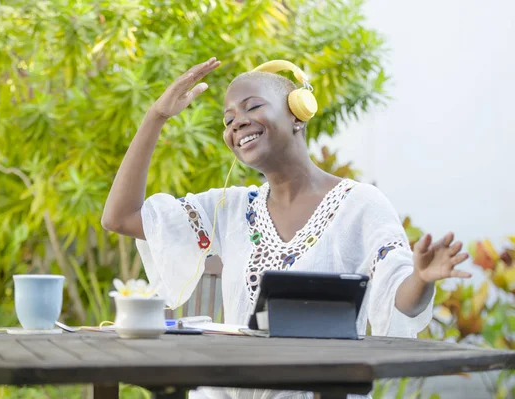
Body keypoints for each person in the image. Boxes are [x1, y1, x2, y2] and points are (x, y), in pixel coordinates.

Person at [101, 57, 471, 399]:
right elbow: (119, 218)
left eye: (251, 107)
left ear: (298, 113)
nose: (237, 124)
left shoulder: (360, 205)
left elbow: (400, 301)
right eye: (228, 120)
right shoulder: (231, 208)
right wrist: (156, 116)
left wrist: (421, 277)